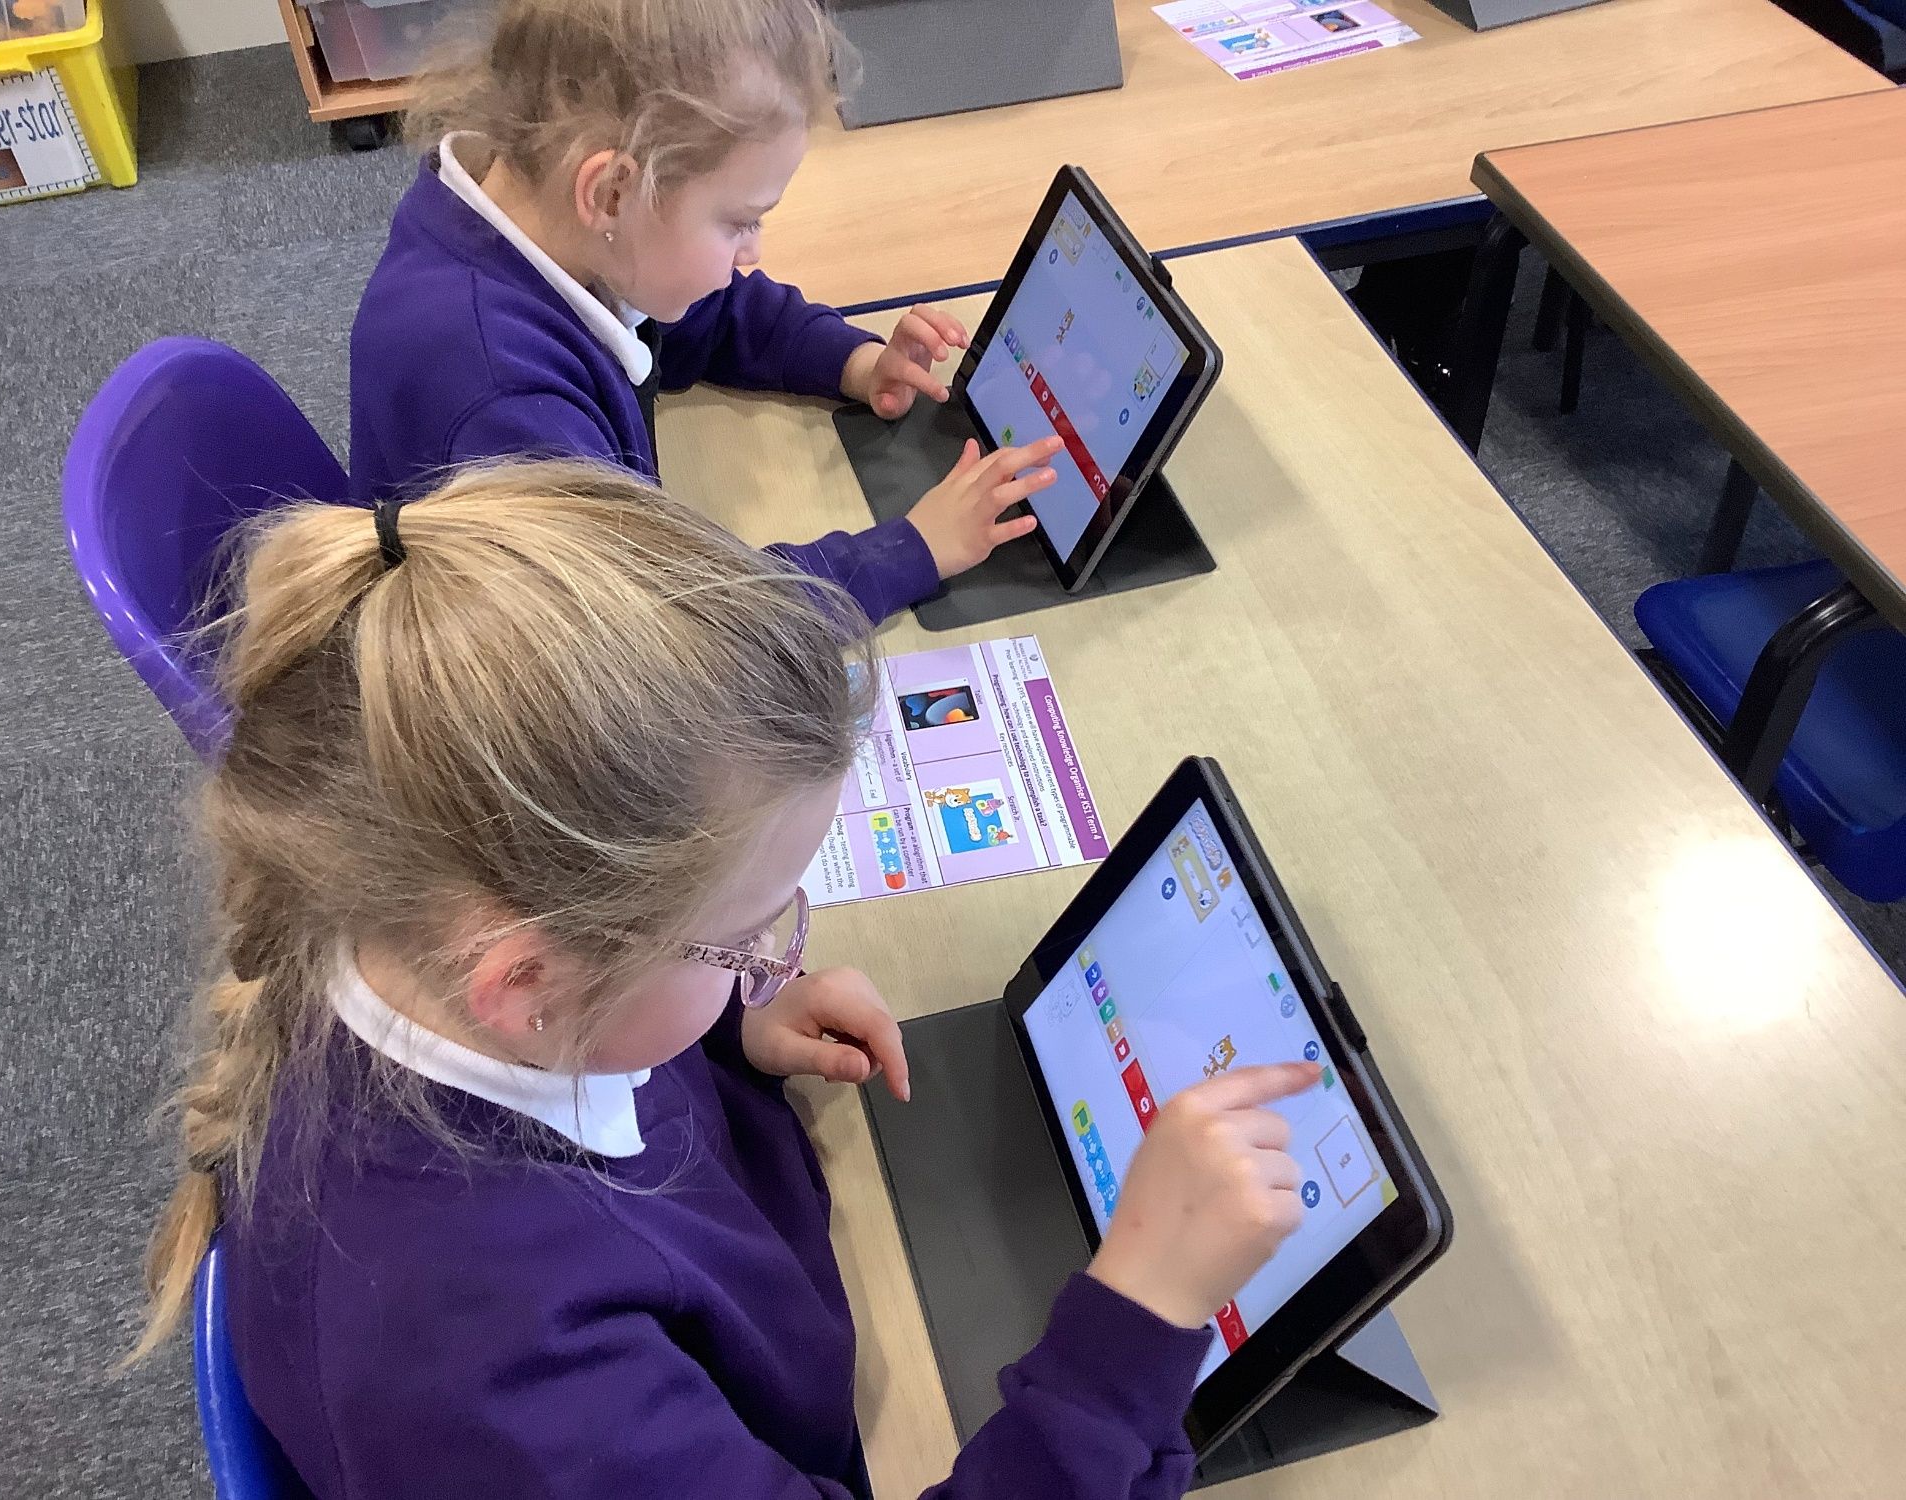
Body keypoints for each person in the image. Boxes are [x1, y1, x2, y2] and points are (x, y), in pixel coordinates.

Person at [131, 460, 1319, 1499]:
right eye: (750, 934)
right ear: (529, 980)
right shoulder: (493, 1379)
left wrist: (724, 1032)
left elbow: (610, 1022)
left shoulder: (419, 947)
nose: (779, 957)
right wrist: (1138, 1325)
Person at [350, 0, 1063, 626]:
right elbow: (672, 636)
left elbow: (699, 315)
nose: (753, 252)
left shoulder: (538, 218)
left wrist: (854, 360)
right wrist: (910, 551)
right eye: (739, 221)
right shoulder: (504, 406)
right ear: (611, 194)